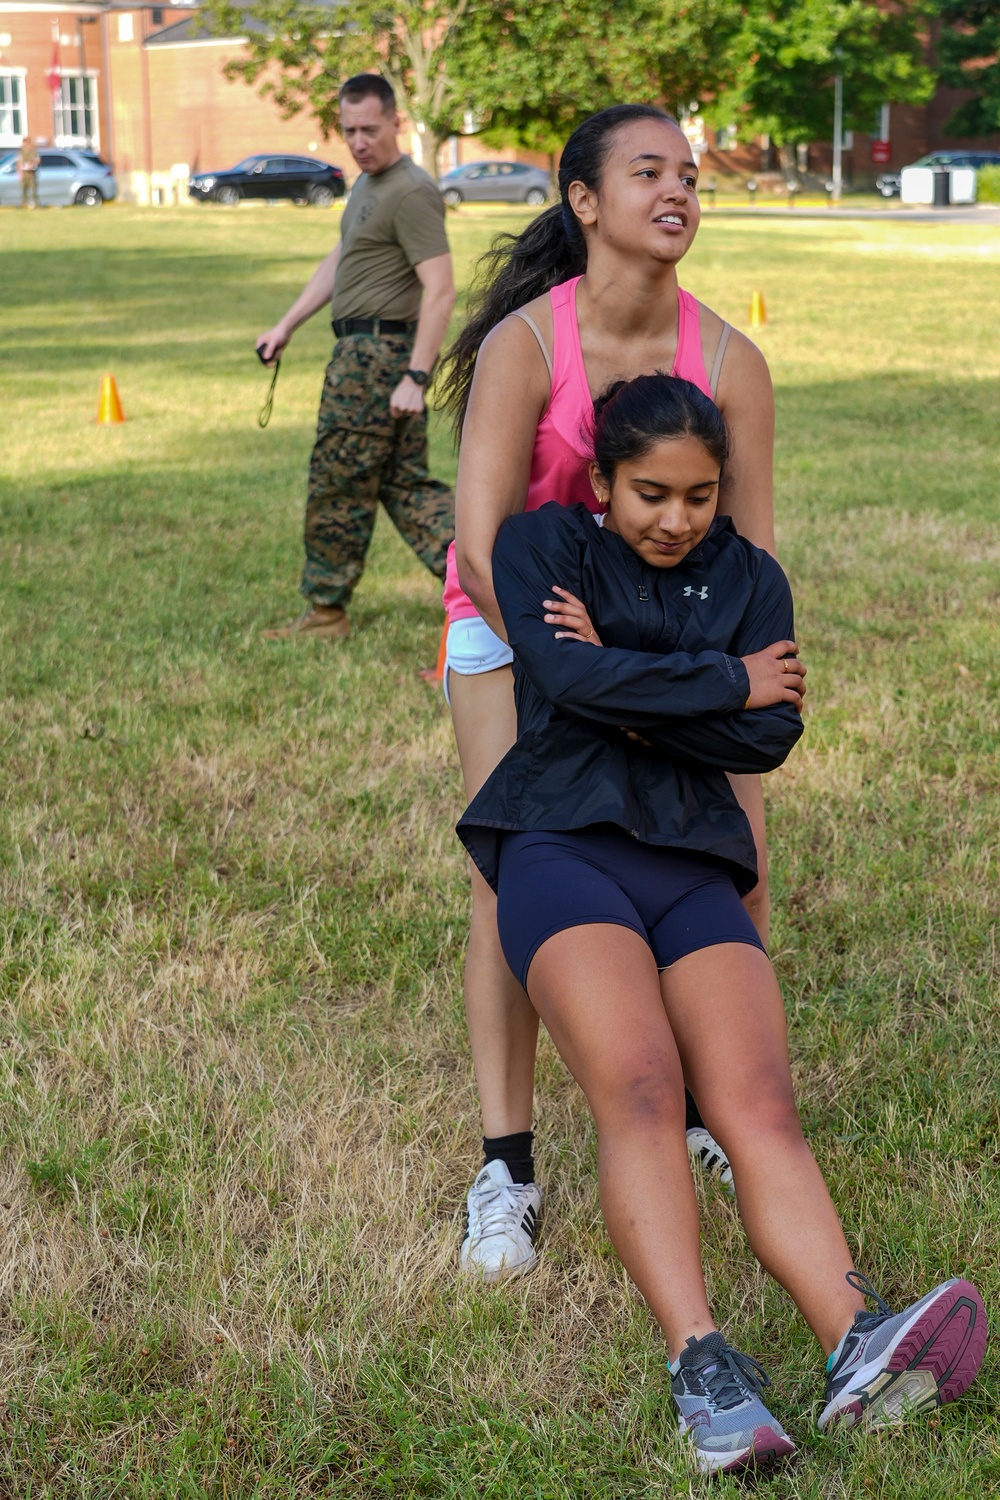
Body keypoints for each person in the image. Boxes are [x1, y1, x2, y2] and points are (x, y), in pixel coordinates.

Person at [457, 372, 986, 1475]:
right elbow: (559, 676)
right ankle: (703, 1366)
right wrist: (717, 682)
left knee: (757, 1104)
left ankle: (856, 1339)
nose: (675, 518)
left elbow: (766, 736)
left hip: (693, 863)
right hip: (560, 848)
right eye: (649, 492)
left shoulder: (751, 576)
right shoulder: (540, 544)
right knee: (643, 1088)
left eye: (699, 496)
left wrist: (634, 681)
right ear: (602, 480)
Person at [438, 104, 773, 1276]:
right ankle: (505, 1165)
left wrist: (678, 691)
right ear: (584, 201)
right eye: (648, 173)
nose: (677, 190)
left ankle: (705, 1112)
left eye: (689, 174)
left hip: (667, 651)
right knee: (508, 863)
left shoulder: (729, 361)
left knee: (732, 842)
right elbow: (479, 548)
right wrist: (585, 687)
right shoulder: (527, 346)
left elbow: (753, 573)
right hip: (512, 634)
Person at [258, 73, 455, 641]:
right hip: (361, 350)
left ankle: (326, 612)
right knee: (405, 486)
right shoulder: (369, 186)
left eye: (370, 129)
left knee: (337, 482)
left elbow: (440, 289)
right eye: (349, 131)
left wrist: (416, 375)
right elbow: (342, 259)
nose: (359, 141)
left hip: (378, 359)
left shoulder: (411, 191)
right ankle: (488, 586)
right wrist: (286, 326)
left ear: (397, 121)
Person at [19, 139, 40, 209]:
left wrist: (31, 165)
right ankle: (24, 204)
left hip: (31, 173)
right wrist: (20, 173)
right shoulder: (21, 152)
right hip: (24, 173)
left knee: (33, 190)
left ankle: (35, 204)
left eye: (24, 143)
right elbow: (19, 162)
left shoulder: (33, 151)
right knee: (23, 189)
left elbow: (37, 160)